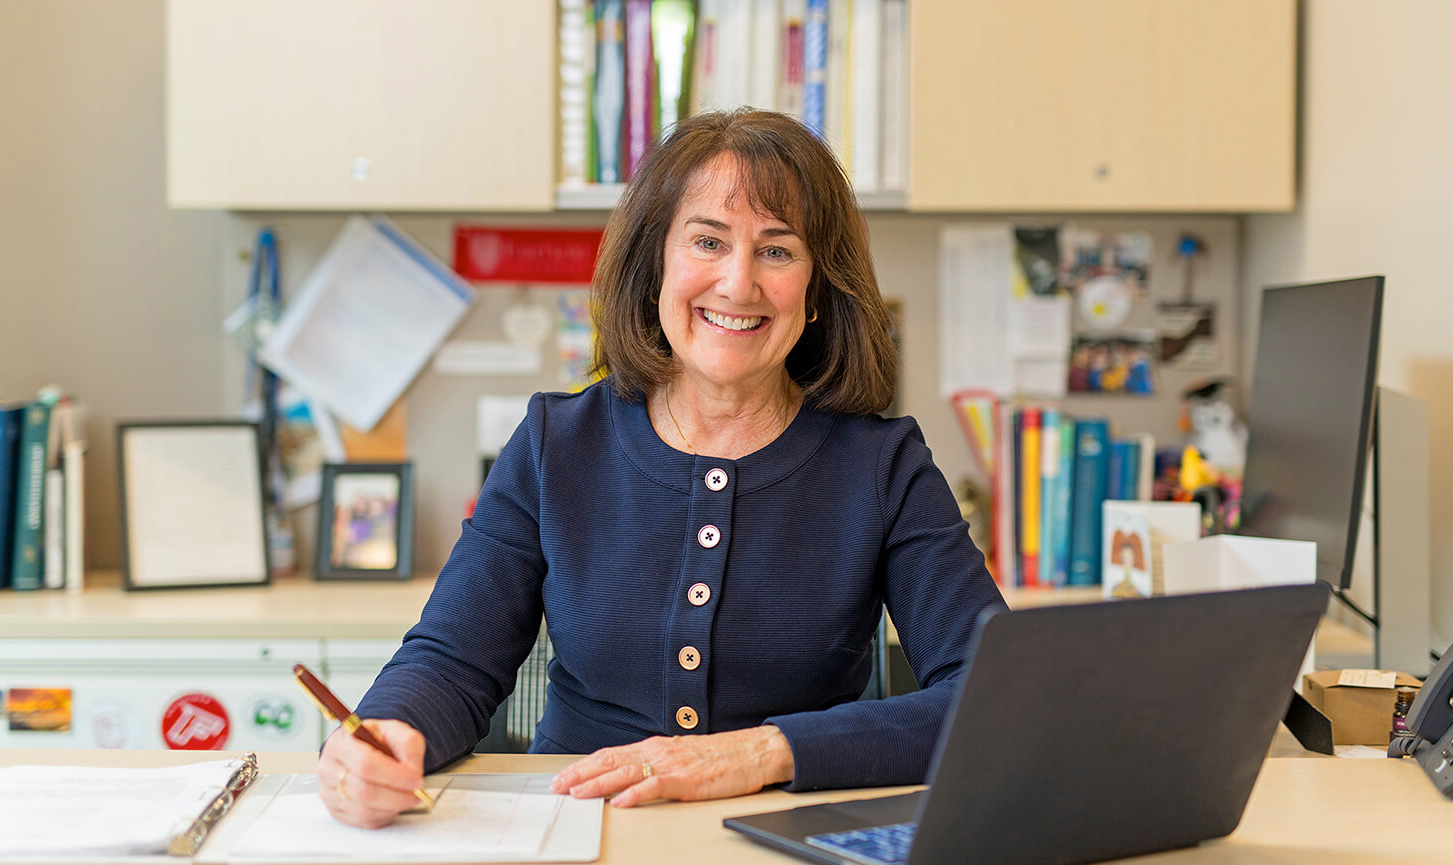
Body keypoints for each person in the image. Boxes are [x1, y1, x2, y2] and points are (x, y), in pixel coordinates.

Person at [317, 109, 1004, 829]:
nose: (738, 283)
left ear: (817, 286)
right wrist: (390, 730)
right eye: (708, 240)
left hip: (781, 837)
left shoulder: (881, 462)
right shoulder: (557, 441)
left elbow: (990, 697)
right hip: (575, 824)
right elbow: (453, 656)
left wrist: (766, 751)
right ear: (656, 265)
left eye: (777, 250)